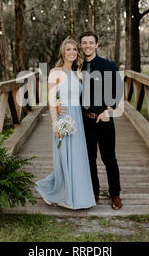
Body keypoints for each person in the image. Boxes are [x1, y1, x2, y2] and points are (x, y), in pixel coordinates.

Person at [35, 38, 96, 210]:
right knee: (64, 159)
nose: (71, 52)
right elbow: (52, 99)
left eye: (74, 49)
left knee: (77, 159)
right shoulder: (55, 72)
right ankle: (57, 193)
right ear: (63, 52)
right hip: (63, 118)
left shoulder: (78, 72)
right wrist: (55, 124)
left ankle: (71, 194)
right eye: (68, 49)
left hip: (77, 118)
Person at [79, 31, 123, 210]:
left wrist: (110, 110)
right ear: (81, 46)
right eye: (84, 43)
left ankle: (115, 194)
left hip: (104, 120)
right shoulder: (77, 67)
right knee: (89, 159)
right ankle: (94, 192)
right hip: (84, 121)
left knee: (109, 159)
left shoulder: (108, 65)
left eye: (91, 42)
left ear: (96, 45)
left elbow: (118, 90)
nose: (87, 46)